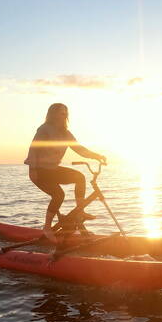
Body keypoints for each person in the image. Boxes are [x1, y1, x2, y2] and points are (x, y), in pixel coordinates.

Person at [24, 103, 107, 242]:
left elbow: (79, 149)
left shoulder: (65, 133)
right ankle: (47, 228)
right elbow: (34, 150)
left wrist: (96, 155)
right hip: (40, 171)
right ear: (52, 114)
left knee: (79, 177)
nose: (63, 116)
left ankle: (80, 212)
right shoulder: (44, 130)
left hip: (53, 170)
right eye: (60, 113)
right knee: (58, 195)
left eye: (65, 113)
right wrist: (32, 170)